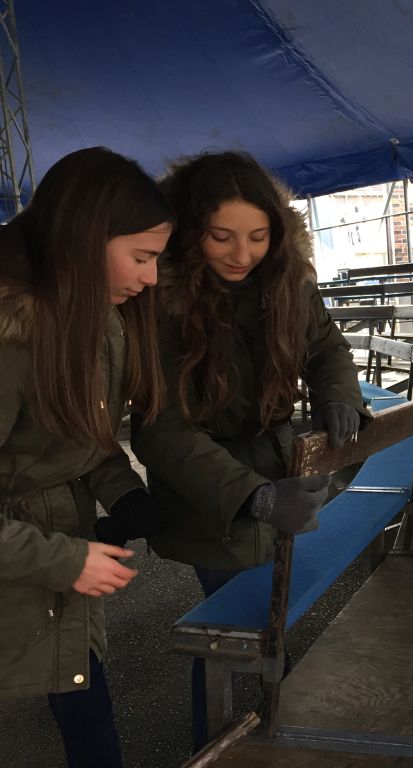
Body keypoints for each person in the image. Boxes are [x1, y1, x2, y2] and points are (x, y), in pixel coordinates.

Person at [130, 150, 368, 748]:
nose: (242, 254)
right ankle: (220, 740)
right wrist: (252, 497)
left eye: (258, 237)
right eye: (221, 237)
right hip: (209, 486)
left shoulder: (288, 280)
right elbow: (161, 427)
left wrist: (338, 393)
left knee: (264, 610)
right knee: (231, 622)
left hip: (278, 463)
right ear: (190, 231)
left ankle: (271, 722)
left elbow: (326, 346)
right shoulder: (157, 301)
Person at [0, 147, 174, 768]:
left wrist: (125, 493)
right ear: (81, 239)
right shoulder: (12, 336)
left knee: (80, 687)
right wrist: (66, 559)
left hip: (51, 544)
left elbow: (79, 434)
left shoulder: (97, 317)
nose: (152, 278)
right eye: (142, 257)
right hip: (30, 551)